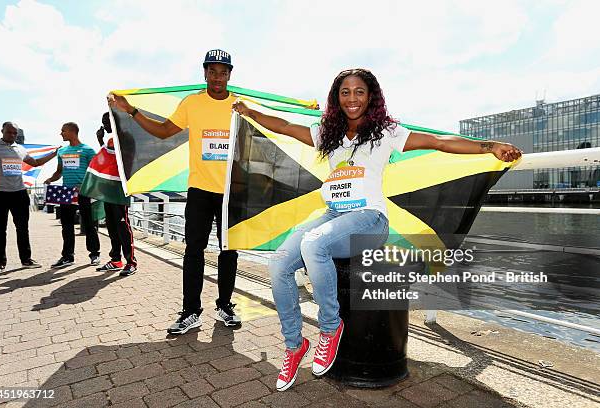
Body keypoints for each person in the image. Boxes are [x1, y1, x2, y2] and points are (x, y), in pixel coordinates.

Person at [232, 68, 522, 391]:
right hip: (333, 214)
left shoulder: (386, 132)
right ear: (336, 97)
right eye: (345, 92)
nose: (352, 98)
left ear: (370, 96)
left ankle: (330, 328)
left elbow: (438, 142)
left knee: (314, 245)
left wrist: (489, 146)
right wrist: (251, 112)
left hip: (370, 219)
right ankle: (293, 344)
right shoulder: (329, 132)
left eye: (359, 91)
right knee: (280, 262)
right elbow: (285, 127)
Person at [110, 49, 241, 331]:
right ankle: (190, 311)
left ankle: (225, 306)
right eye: (213, 71)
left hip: (233, 191)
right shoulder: (192, 103)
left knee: (229, 250)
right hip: (200, 190)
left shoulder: (240, 105)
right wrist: (131, 110)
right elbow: (163, 131)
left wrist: (304, 111)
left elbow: (270, 126)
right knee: (194, 249)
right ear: (205, 72)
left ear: (230, 75)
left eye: (223, 72)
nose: (218, 77)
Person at [0, 122, 58, 273]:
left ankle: (26, 260)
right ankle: (0, 263)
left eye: (15, 133)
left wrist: (54, 154)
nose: (12, 136)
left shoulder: (20, 149)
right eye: (9, 132)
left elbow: (36, 163)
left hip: (19, 193)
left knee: (22, 228)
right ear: (2, 131)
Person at [44, 122, 100, 268]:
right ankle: (68, 257)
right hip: (66, 193)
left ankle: (94, 254)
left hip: (84, 192)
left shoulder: (88, 150)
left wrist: (83, 185)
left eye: (63, 131)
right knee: (66, 225)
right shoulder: (62, 152)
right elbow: (59, 172)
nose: (61, 133)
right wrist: (50, 179)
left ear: (72, 131)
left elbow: (94, 173)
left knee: (89, 224)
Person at [93, 113, 138, 277]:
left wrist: (101, 143)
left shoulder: (126, 138)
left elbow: (119, 160)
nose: (103, 126)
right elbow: (104, 161)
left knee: (122, 225)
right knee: (112, 225)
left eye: (106, 122)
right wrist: (102, 142)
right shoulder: (111, 140)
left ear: (114, 121)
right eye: (102, 122)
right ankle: (116, 259)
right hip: (108, 188)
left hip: (120, 188)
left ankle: (131, 262)